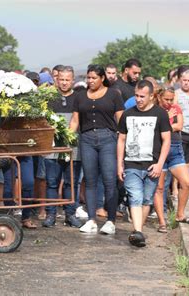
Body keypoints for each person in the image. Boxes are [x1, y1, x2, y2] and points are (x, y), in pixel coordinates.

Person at [70, 65, 124, 234]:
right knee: (90, 179)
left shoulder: (114, 94)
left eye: (94, 78)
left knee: (109, 179)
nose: (90, 81)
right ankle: (91, 219)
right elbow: (74, 121)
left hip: (108, 138)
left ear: (102, 78)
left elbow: (121, 119)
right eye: (88, 78)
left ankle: (110, 220)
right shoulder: (80, 97)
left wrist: (123, 140)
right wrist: (67, 138)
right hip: (86, 139)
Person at [117, 80, 171, 247]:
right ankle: (138, 232)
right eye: (136, 96)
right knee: (135, 197)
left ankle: (137, 231)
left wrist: (160, 164)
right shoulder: (127, 114)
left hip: (152, 165)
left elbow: (166, 140)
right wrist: (119, 164)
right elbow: (121, 140)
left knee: (147, 200)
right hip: (132, 163)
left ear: (151, 96)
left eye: (142, 96)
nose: (138, 99)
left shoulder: (160, 114)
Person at [42, 66, 84, 229]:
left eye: (68, 80)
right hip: (52, 146)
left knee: (71, 182)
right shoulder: (49, 97)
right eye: (61, 80)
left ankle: (70, 214)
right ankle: (51, 214)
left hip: (73, 146)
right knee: (52, 182)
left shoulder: (79, 98)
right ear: (56, 79)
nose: (64, 83)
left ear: (72, 80)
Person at [153, 86, 189, 233]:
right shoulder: (154, 109)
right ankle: (162, 222)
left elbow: (179, 125)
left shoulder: (176, 108)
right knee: (159, 187)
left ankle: (180, 214)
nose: (169, 102)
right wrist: (168, 122)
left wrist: (166, 123)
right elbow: (156, 128)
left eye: (171, 99)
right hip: (159, 150)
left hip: (175, 148)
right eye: (166, 99)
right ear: (159, 98)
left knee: (186, 182)